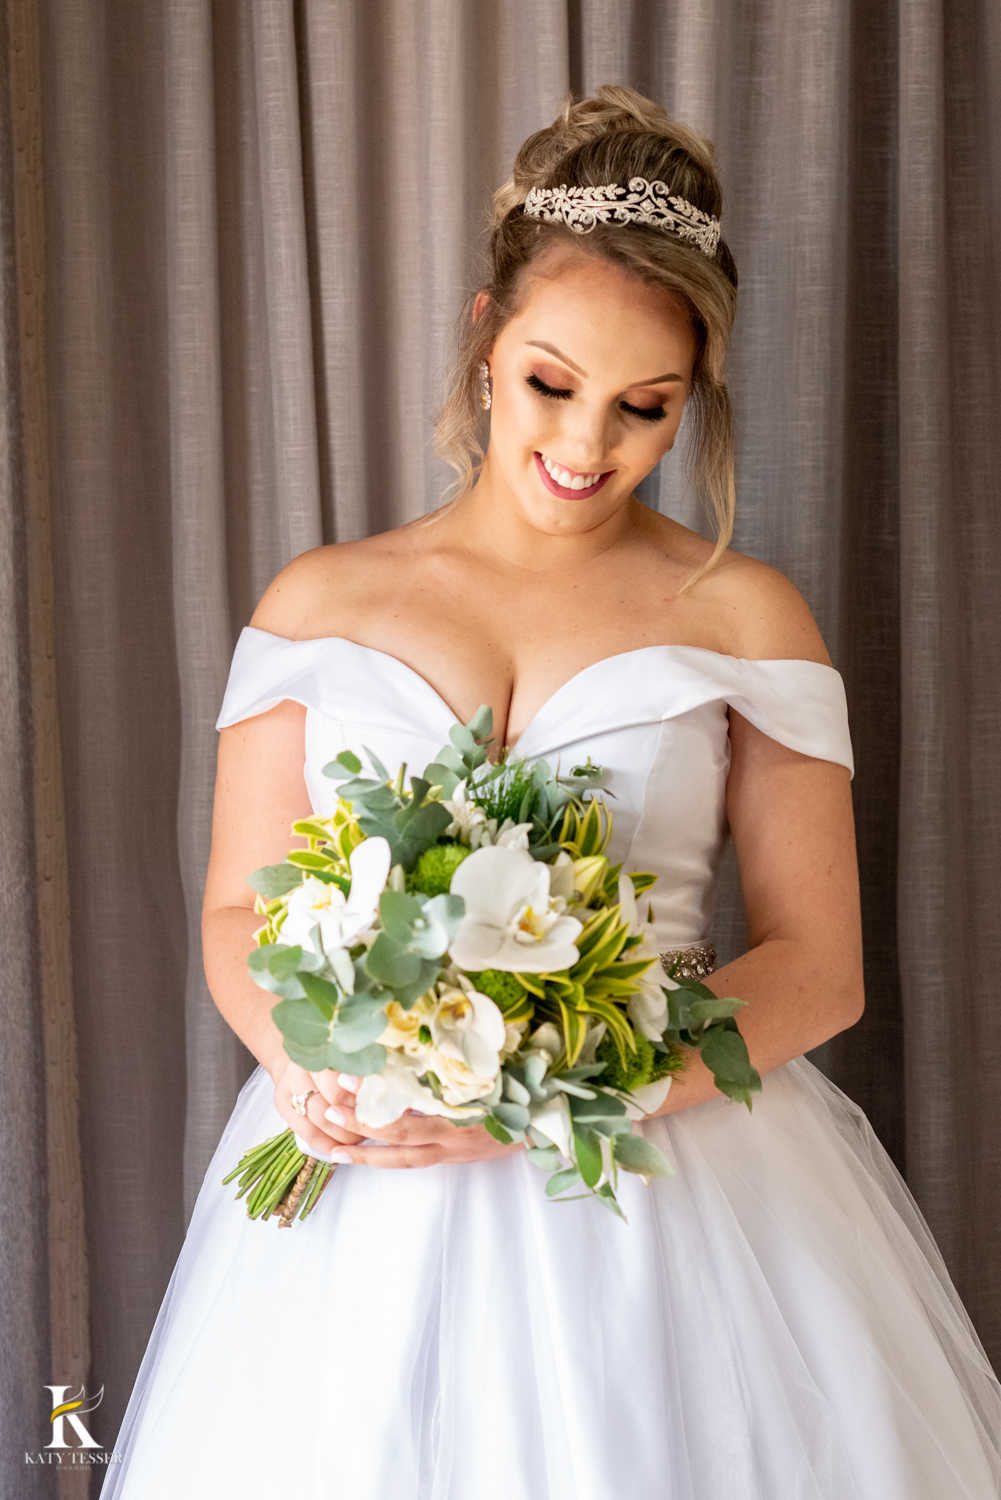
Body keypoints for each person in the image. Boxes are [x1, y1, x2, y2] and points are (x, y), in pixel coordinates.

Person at [102, 86, 1001, 1499]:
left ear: (692, 395)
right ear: (481, 337)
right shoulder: (319, 602)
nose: (587, 447)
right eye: (550, 382)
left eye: (646, 409)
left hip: (666, 1189)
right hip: (361, 1200)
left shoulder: (744, 616)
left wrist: (548, 1097)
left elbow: (819, 973)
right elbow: (234, 904)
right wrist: (307, 1063)